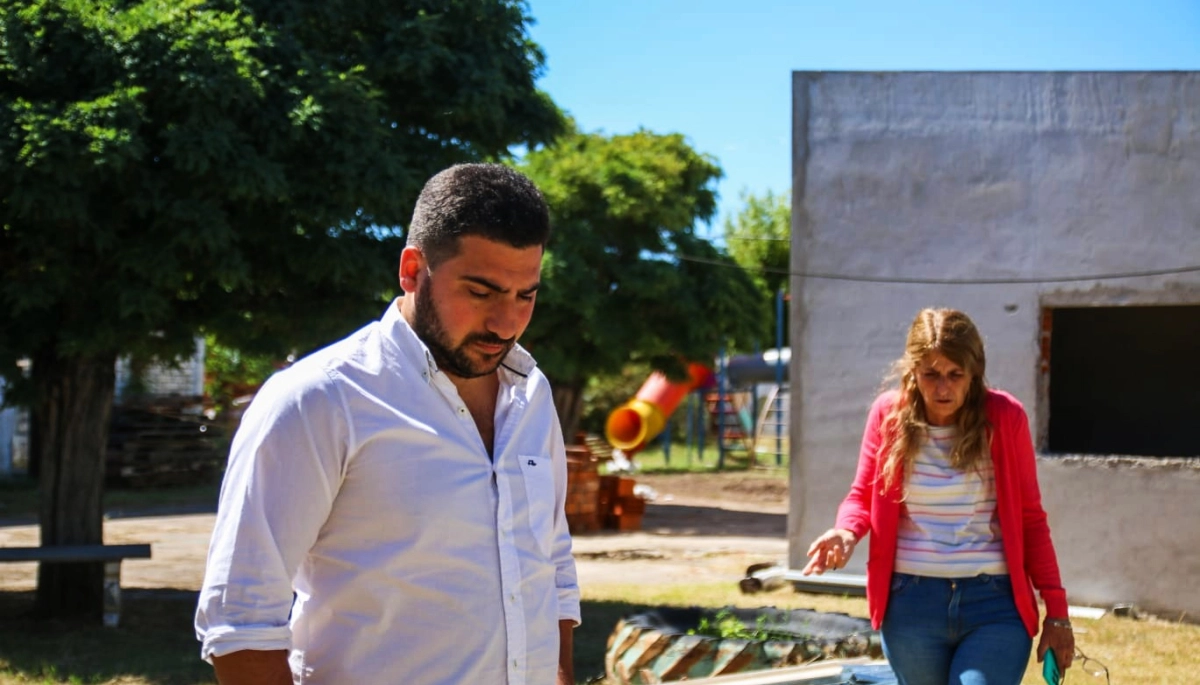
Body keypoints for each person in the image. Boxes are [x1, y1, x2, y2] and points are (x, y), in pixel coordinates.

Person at [195, 163, 580, 685]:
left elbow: (550, 565)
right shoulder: (321, 399)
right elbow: (240, 622)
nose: (506, 323)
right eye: (481, 292)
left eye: (525, 295)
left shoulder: (531, 394)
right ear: (412, 270)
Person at [803, 308, 1073, 685]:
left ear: (973, 372)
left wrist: (1057, 612)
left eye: (954, 374)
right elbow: (862, 496)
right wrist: (846, 531)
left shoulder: (1005, 417)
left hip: (993, 604)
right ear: (913, 371)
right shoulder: (888, 416)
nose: (942, 388)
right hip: (911, 606)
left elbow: (1030, 519)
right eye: (931, 374)